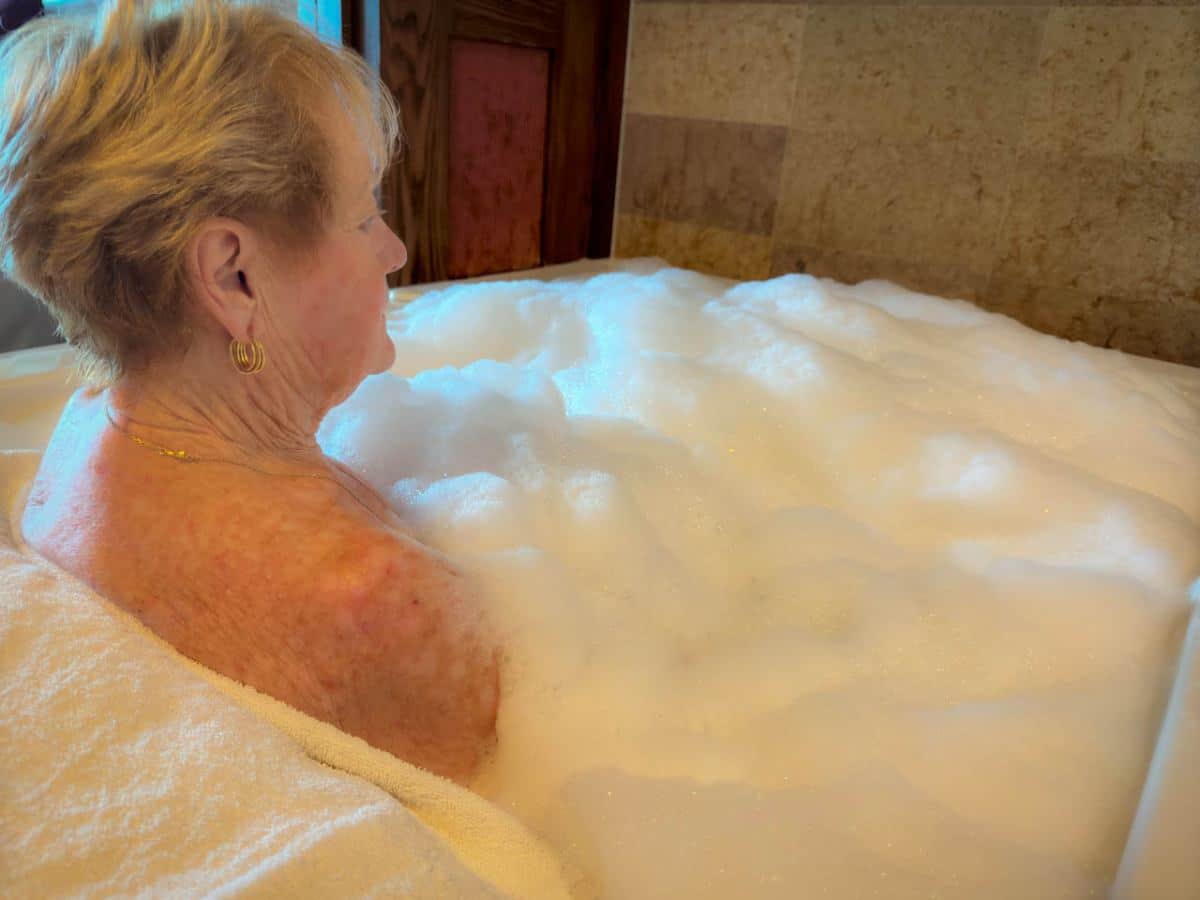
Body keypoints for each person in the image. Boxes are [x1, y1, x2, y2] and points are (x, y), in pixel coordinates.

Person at [0, 0, 499, 784]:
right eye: (364, 216)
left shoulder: (85, 431)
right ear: (232, 276)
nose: (395, 250)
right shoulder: (383, 605)